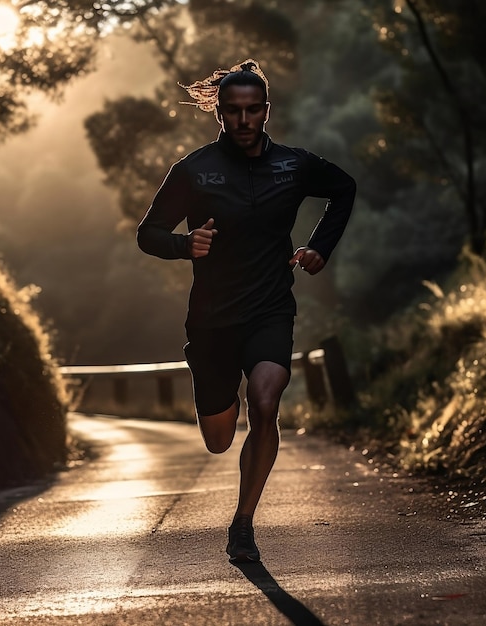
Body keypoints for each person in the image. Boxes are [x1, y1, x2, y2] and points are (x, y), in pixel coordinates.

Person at [137, 59, 356, 563]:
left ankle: (242, 525)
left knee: (265, 403)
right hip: (212, 321)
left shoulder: (293, 165)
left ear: (265, 111)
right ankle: (217, 403)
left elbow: (344, 189)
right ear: (219, 112)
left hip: (270, 310)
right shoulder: (192, 170)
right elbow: (147, 234)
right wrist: (183, 244)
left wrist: (320, 245)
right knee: (217, 440)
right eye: (232, 111)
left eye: (252, 110)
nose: (242, 120)